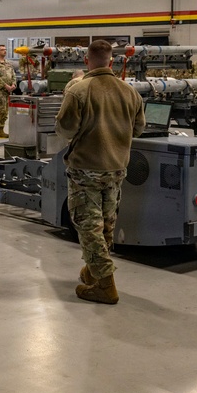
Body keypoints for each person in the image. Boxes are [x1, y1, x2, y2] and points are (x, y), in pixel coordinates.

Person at [55, 40, 144, 305]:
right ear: (112, 61)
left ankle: (105, 284)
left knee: (88, 226)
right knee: (105, 224)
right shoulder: (130, 92)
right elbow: (138, 129)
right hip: (116, 169)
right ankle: (92, 270)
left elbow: (65, 130)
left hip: (86, 170)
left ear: (86, 61)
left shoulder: (79, 91)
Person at [0, 44, 17, 138]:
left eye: (5, 49)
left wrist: (13, 84)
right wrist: (6, 86)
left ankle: (0, 130)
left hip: (7, 91)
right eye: (2, 50)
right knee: (1, 110)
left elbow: (13, 75)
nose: (4, 51)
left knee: (5, 111)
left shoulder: (8, 64)